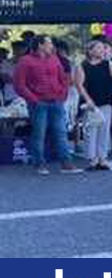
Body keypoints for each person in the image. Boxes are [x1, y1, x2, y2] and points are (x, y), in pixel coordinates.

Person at [15, 35, 81, 175]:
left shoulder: (54, 59)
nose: (52, 46)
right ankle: (39, 164)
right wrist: (34, 100)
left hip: (56, 101)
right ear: (40, 45)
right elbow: (19, 85)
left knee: (61, 132)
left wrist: (63, 94)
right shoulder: (25, 61)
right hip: (39, 103)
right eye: (49, 43)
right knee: (39, 134)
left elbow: (63, 78)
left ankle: (66, 164)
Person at [78, 40, 112, 171]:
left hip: (106, 100)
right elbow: (79, 85)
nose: (102, 50)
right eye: (98, 48)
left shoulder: (108, 63)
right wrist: (87, 100)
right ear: (90, 51)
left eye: (103, 48)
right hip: (90, 103)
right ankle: (92, 159)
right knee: (91, 131)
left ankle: (102, 158)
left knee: (104, 130)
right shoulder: (83, 65)